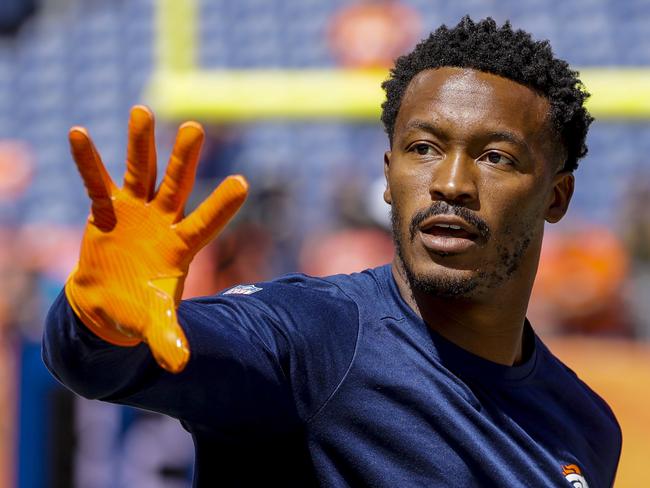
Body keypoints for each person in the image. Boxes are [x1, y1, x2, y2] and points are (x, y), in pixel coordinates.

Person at [43, 17, 621, 487]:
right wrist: (97, 326)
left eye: (496, 157)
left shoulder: (586, 426)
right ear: (388, 176)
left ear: (557, 195)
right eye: (423, 148)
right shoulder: (316, 338)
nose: (450, 182)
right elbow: (105, 364)